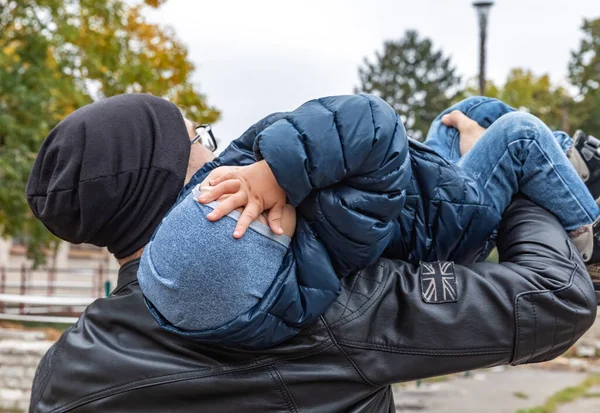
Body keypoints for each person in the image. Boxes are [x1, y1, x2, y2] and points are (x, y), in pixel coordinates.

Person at [27, 93, 598, 413]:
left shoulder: (63, 374)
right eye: (199, 137)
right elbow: (552, 298)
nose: (217, 144)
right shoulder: (317, 300)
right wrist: (525, 190)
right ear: (177, 179)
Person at [137, 95, 600, 347]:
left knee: (464, 112)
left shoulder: (198, 267)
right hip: (455, 219)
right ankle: (588, 232)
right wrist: (273, 172)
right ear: (276, 230)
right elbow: (371, 123)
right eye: (251, 208)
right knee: (519, 134)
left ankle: (558, 156)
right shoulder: (333, 224)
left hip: (424, 198)